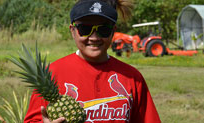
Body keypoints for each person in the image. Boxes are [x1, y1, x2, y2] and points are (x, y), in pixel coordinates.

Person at [24, 0, 161, 122]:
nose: (94, 37)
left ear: (113, 31)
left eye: (104, 29)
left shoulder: (132, 77)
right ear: (73, 30)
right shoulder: (51, 74)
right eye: (85, 29)